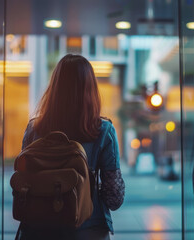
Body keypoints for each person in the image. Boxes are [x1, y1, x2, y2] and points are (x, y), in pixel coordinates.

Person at [18, 54, 125, 240]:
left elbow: (23, 180)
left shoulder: (34, 129)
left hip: (38, 227)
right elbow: (114, 198)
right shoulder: (103, 130)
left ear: (55, 88)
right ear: (90, 88)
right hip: (88, 229)